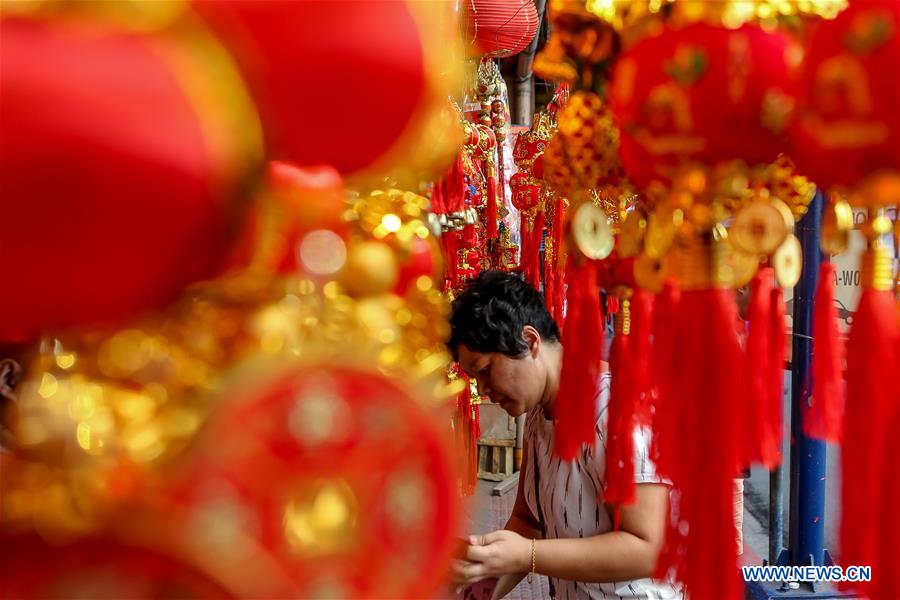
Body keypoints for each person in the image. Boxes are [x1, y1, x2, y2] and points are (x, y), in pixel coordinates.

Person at [449, 270, 680, 599]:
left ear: (529, 342)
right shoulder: (538, 417)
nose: (484, 391)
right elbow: (528, 522)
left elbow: (649, 547)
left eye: (485, 370)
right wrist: (478, 585)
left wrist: (527, 554)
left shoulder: (613, 411)